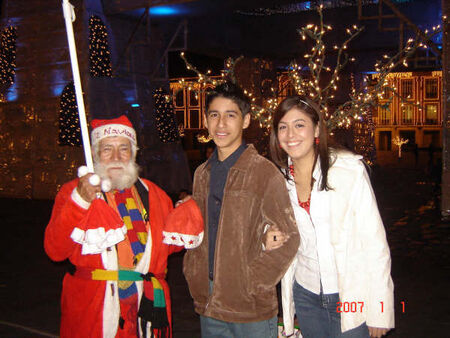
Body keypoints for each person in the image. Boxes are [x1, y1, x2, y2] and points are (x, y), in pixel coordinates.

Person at [45, 115, 202, 338]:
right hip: (94, 312)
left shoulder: (155, 195)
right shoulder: (73, 192)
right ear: (96, 154)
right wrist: (79, 202)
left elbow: (167, 248)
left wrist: (186, 215)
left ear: (134, 153)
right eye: (107, 148)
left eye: (124, 148)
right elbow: (55, 251)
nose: (116, 157)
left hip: (145, 309)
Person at [266, 96, 394, 338]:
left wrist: (380, 309)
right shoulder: (279, 179)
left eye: (299, 125)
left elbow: (375, 242)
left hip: (349, 295)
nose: (290, 134)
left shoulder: (347, 170)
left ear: (316, 128)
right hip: (305, 294)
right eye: (283, 126)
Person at [182, 82, 300, 338]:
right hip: (208, 303)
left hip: (250, 310)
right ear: (205, 120)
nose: (221, 124)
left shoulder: (263, 173)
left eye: (230, 115)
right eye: (214, 115)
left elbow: (289, 236)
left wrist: (252, 281)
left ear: (246, 121)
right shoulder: (202, 174)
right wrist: (192, 269)